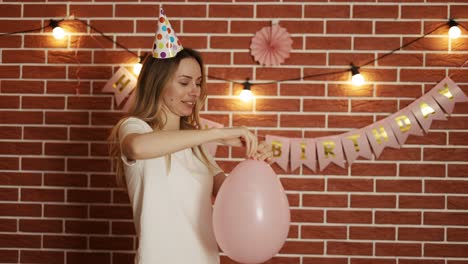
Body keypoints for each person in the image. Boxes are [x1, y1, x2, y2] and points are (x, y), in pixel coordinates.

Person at [108, 7, 274, 264]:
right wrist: (213, 134)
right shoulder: (135, 128)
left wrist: (256, 164)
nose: (195, 92)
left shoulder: (197, 147)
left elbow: (233, 197)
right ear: (158, 83)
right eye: (185, 82)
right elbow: (137, 149)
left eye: (198, 83)